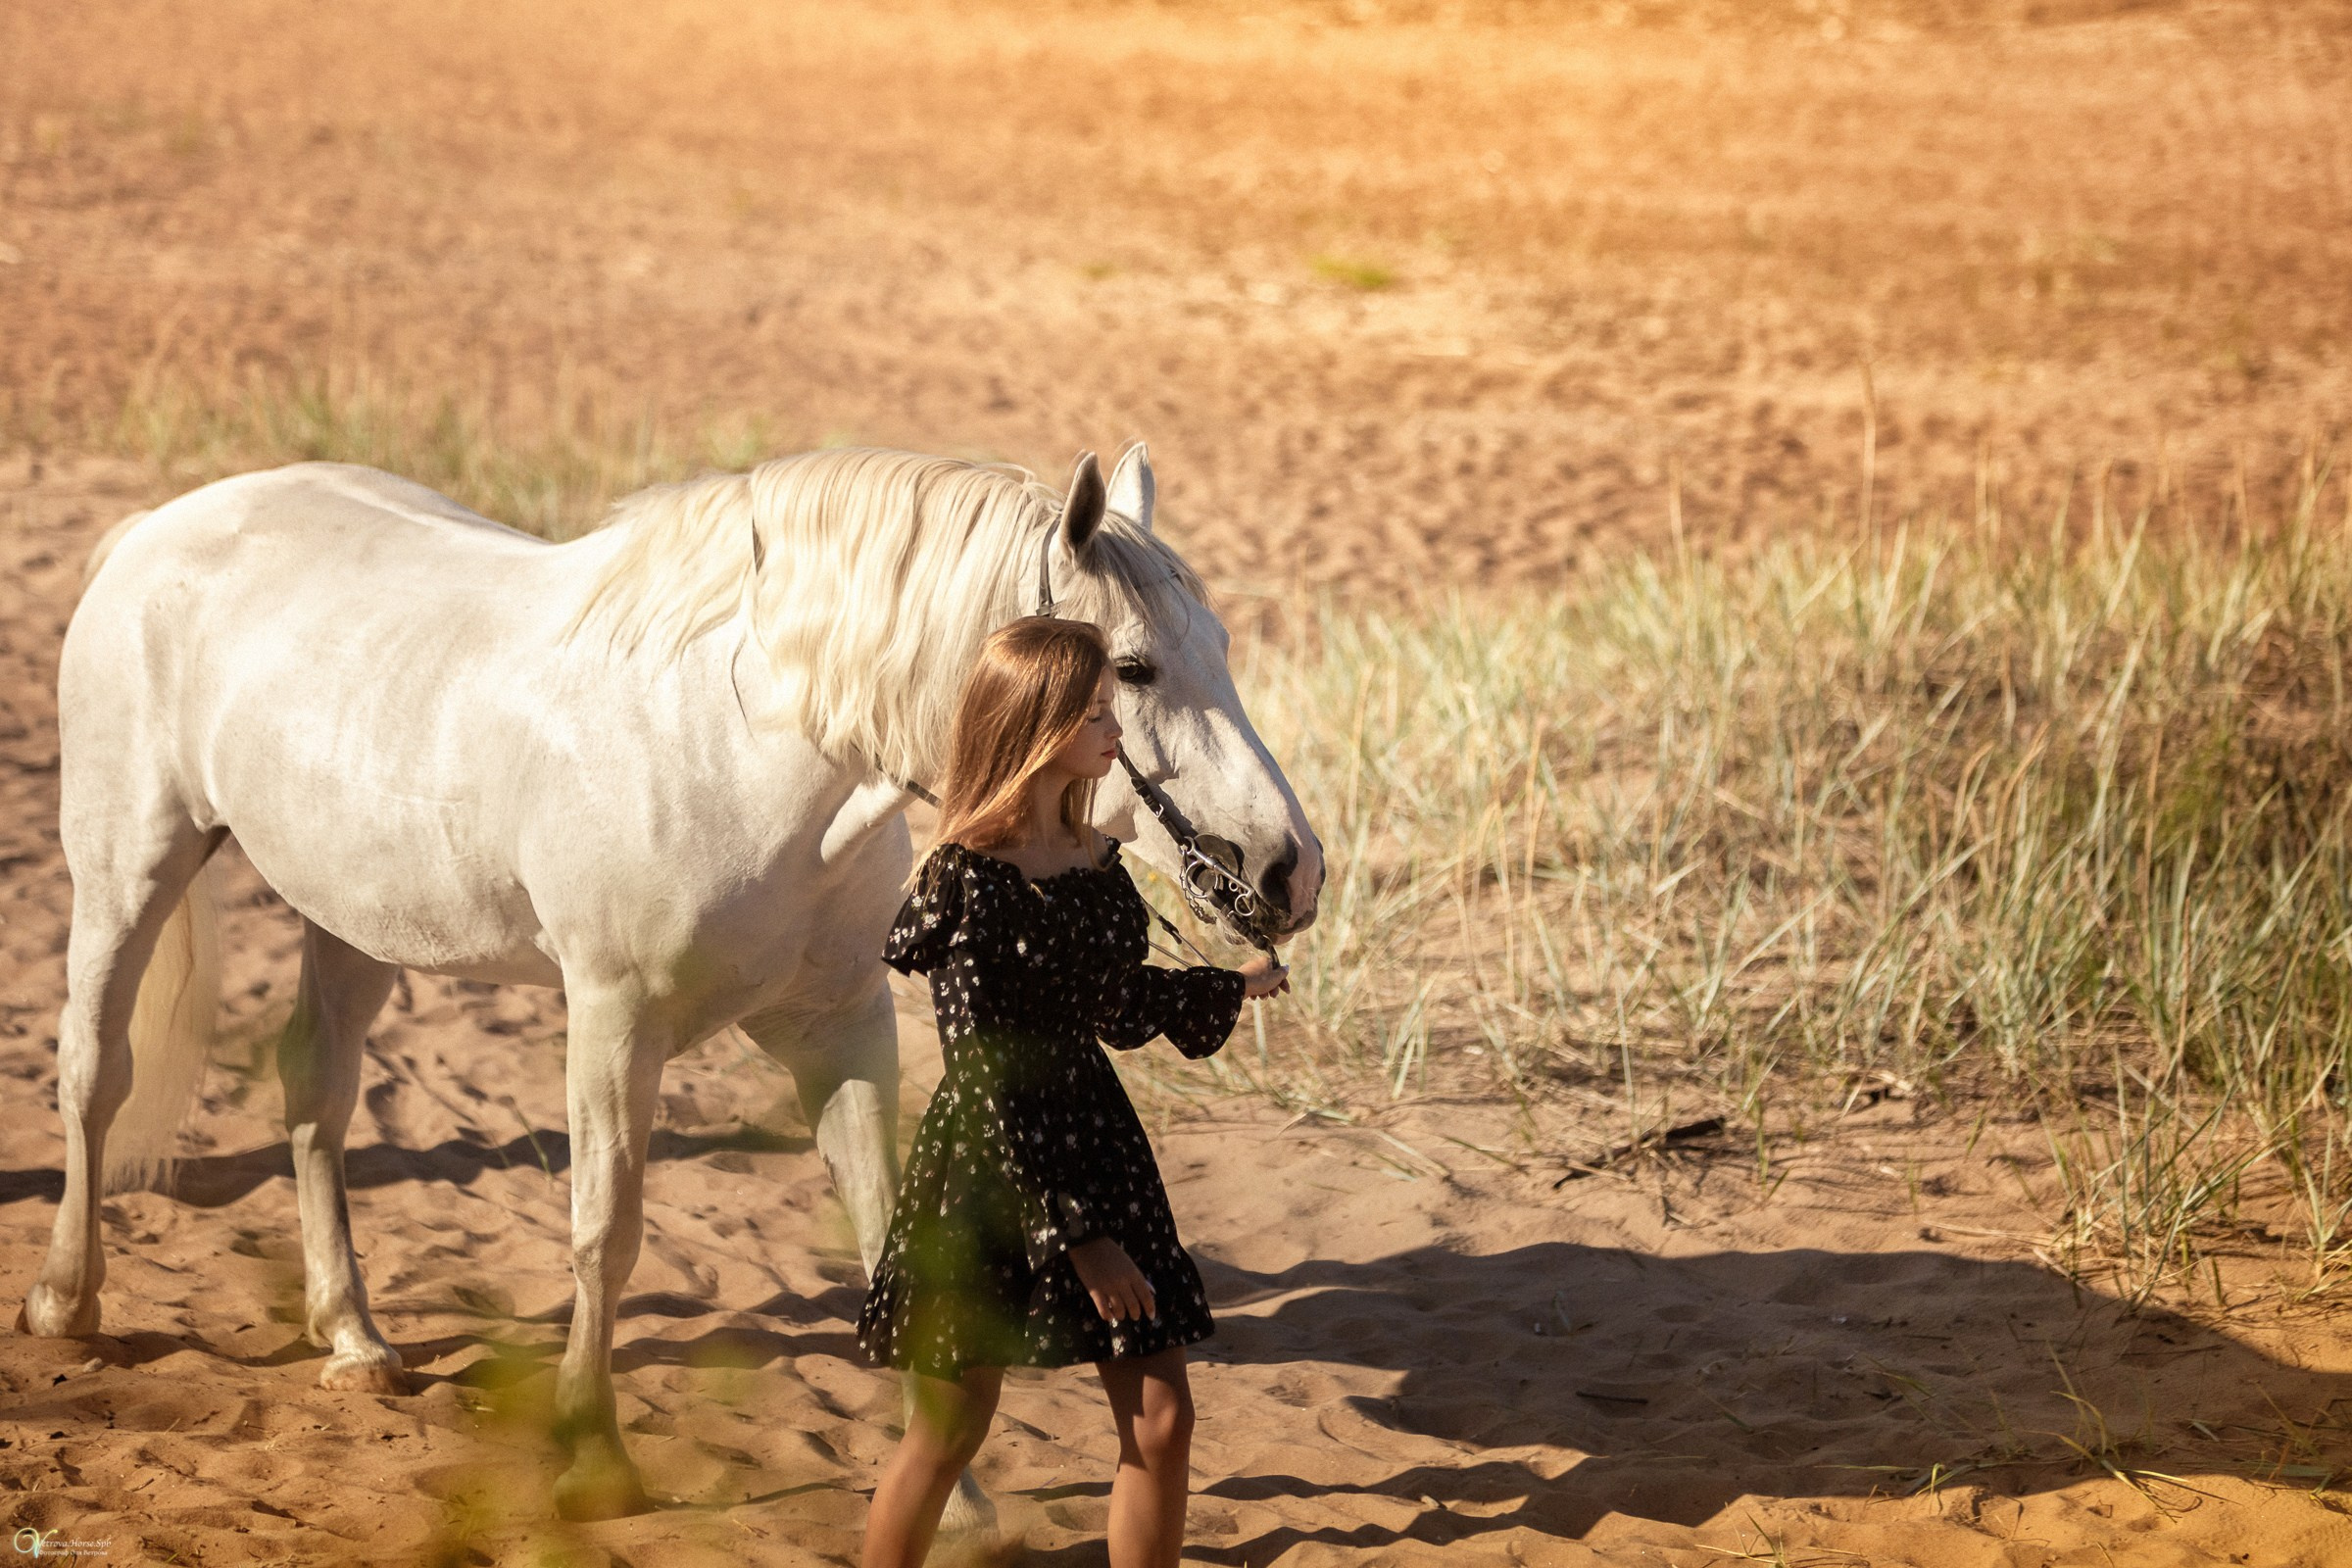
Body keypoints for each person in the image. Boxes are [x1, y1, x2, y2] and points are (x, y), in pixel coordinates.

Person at [858, 615, 1288, 1568]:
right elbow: (980, 1070)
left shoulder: (1098, 867)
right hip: (992, 1169)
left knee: (1163, 1416)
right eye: (1096, 713)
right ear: (1036, 722)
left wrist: (1229, 984)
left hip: (1097, 1139)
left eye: (1111, 711)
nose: (1116, 733)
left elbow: (1116, 1003)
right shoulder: (963, 881)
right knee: (949, 1429)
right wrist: (1080, 1236)